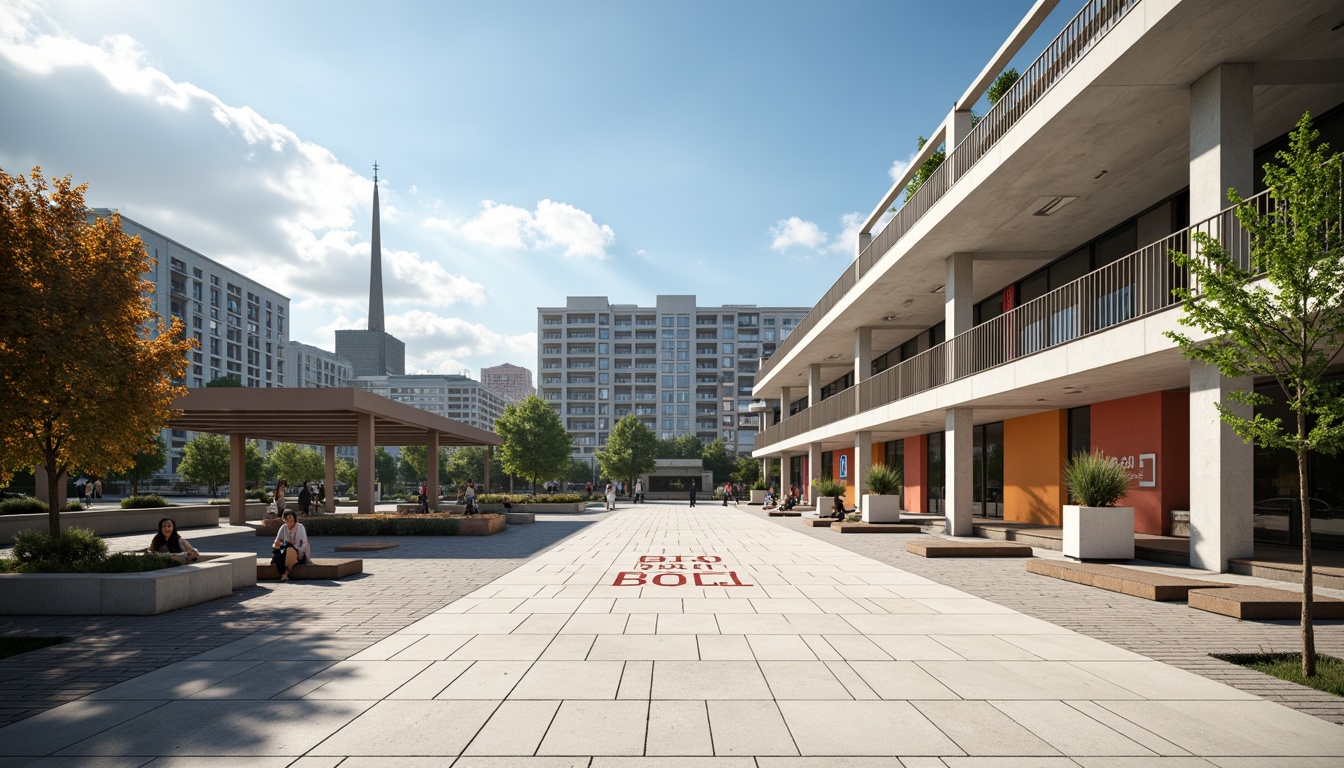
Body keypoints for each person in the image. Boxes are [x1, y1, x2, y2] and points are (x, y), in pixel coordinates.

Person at [271, 510, 311, 582]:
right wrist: (285, 543)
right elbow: (275, 544)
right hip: (285, 551)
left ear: (294, 517)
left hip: (298, 551)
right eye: (286, 518)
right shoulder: (283, 528)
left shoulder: (300, 527)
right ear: (284, 519)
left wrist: (300, 553)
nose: (289, 520)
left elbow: (305, 543)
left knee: (290, 549)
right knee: (279, 551)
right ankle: (285, 573)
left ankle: (285, 573)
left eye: (290, 517)